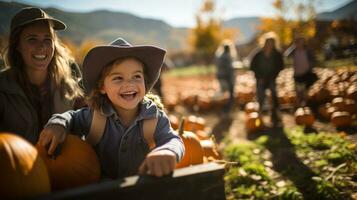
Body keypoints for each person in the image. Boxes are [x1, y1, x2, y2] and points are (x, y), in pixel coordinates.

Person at [39, 38, 184, 179]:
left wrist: (167, 150)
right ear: (102, 87)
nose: (129, 84)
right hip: (100, 192)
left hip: (141, 192)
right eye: (118, 78)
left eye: (136, 76)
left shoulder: (154, 118)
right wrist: (59, 123)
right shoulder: (95, 117)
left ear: (145, 83)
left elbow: (173, 139)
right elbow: (71, 117)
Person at [0, 7, 83, 144]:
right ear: (17, 45)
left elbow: (84, 119)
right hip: (17, 163)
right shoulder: (3, 87)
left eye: (47, 39)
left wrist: (64, 122)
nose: (42, 47)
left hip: (64, 163)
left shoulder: (69, 82)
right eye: (32, 39)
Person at [250, 32, 284, 127]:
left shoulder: (277, 54)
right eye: (267, 42)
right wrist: (259, 76)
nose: (269, 44)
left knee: (273, 96)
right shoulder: (258, 54)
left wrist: (273, 76)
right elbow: (252, 66)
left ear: (274, 43)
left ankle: (275, 117)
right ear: (264, 42)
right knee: (260, 97)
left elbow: (280, 66)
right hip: (260, 79)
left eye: (271, 42)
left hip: (272, 79)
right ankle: (259, 117)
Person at [284, 36, 317, 107]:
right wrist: (293, 47)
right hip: (297, 74)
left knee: (305, 90)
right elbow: (286, 55)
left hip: (306, 73)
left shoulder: (307, 50)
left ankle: (305, 104)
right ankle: (299, 105)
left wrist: (311, 66)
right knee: (298, 91)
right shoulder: (294, 51)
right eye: (298, 42)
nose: (300, 44)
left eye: (301, 42)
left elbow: (313, 59)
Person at [215, 39, 237, 114]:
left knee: (226, 94)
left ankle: (227, 109)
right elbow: (228, 68)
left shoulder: (221, 56)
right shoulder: (225, 56)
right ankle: (226, 109)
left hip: (224, 77)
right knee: (228, 94)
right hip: (226, 77)